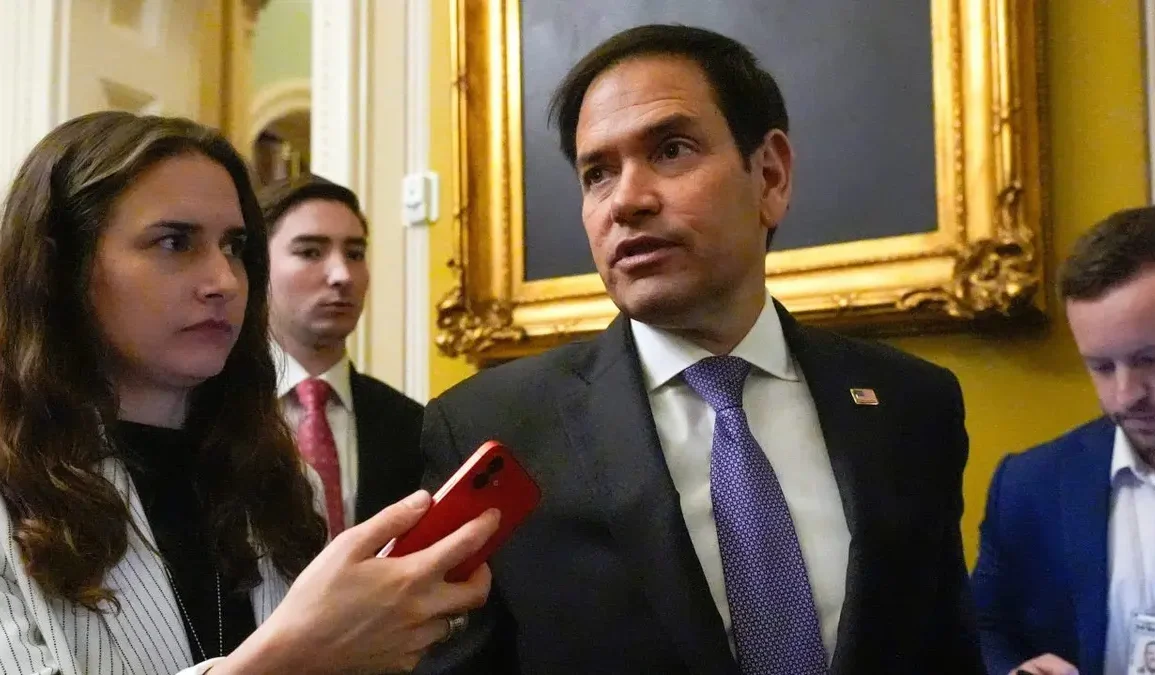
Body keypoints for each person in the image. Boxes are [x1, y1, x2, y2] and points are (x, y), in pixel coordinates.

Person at [417, 24, 984, 675]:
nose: (627, 200)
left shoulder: (912, 404)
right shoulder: (492, 429)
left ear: (769, 175)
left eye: (671, 150)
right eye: (597, 174)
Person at [0, 111, 496, 675]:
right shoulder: (16, 480)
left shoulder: (277, 475)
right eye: (174, 242)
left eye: (234, 246)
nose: (225, 281)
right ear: (61, 265)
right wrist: (293, 656)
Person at [972, 206, 1155, 675]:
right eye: (1101, 367)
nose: (1126, 395)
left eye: (1150, 359)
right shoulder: (1029, 486)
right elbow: (983, 628)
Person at [261, 174, 423, 536]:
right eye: (310, 252)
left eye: (355, 254)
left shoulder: (412, 424)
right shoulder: (205, 409)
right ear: (258, 267)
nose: (342, 275)